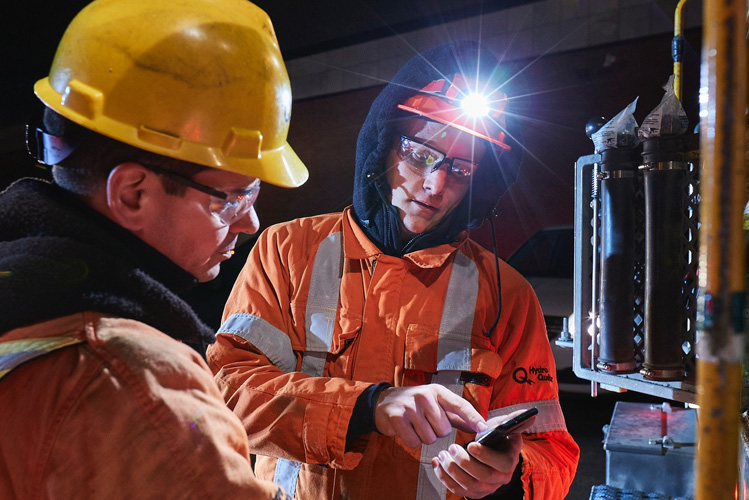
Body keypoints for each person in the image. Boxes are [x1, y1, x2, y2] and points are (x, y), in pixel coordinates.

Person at [208, 41, 580, 499]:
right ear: (382, 147)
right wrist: (368, 407)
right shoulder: (287, 249)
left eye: (461, 169)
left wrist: (509, 476)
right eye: (421, 154)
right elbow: (228, 391)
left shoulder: (507, 292)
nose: (435, 184)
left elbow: (551, 452)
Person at [0, 0, 308, 498]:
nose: (251, 222)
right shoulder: (129, 380)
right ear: (134, 194)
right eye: (232, 198)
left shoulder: (22, 302)